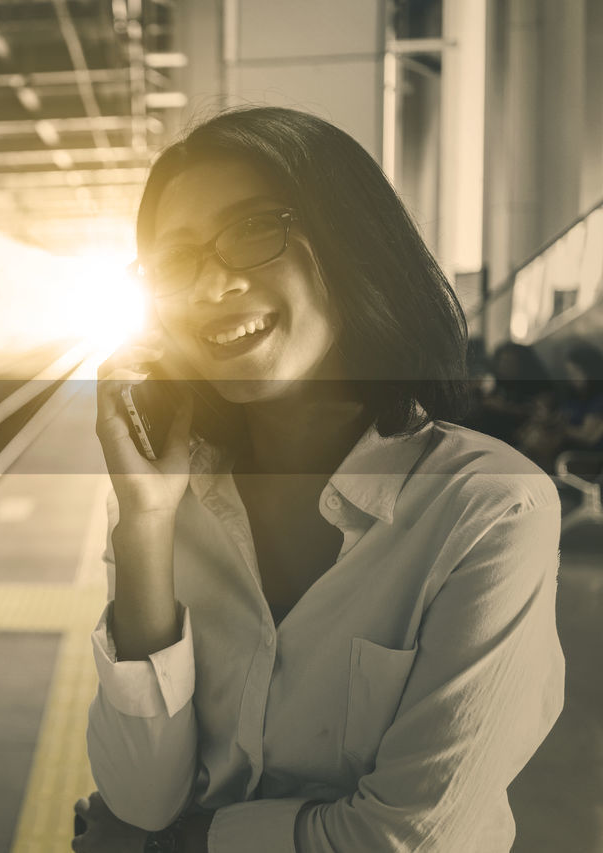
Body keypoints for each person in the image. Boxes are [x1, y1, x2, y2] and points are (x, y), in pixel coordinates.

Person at [76, 107, 564, 853]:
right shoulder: (169, 501)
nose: (210, 285)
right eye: (177, 261)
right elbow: (142, 797)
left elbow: (416, 838)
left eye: (252, 229)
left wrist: (174, 847)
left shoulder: (488, 511)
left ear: (350, 245)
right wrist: (143, 522)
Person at [515, 342, 603, 471]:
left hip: (581, 456)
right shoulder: (575, 399)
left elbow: (588, 437)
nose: (571, 378)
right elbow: (562, 419)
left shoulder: (598, 400)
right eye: (569, 373)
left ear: (589, 371)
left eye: (575, 373)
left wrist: (560, 428)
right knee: (531, 436)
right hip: (562, 448)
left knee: (535, 443)